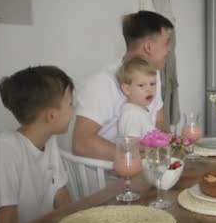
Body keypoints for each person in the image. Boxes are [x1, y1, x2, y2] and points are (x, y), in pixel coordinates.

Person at [0, 66, 74, 223]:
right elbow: (6, 222)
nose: (74, 110)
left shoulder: (49, 140)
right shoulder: (6, 148)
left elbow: (61, 193)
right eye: (71, 104)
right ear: (51, 115)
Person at [73, 10, 173, 161]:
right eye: (167, 43)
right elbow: (81, 143)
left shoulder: (152, 75)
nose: (169, 49)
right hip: (112, 177)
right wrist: (132, 155)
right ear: (148, 47)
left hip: (149, 168)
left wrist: (170, 144)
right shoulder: (101, 83)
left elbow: (159, 121)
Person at [116, 56, 158, 138]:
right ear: (127, 89)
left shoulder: (138, 110)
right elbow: (131, 146)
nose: (149, 90)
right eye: (141, 85)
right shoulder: (132, 114)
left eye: (152, 84)